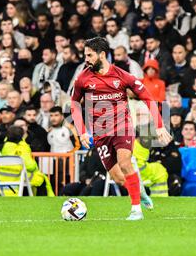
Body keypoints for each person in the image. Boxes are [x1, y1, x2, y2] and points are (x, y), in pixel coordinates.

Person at [71, 37, 172, 221]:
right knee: (118, 178)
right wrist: (82, 130)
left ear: (102, 54)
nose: (86, 59)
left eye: (89, 55)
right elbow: (74, 104)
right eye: (85, 55)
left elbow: (148, 97)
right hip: (100, 133)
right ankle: (139, 192)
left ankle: (136, 210)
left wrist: (158, 125)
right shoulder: (83, 79)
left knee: (125, 163)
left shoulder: (122, 75)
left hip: (122, 127)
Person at [0, 125, 54, 197]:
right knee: (41, 179)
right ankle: (43, 201)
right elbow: (30, 166)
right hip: (19, 176)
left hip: (3, 177)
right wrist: (35, 166)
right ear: (22, 136)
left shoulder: (3, 147)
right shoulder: (22, 147)